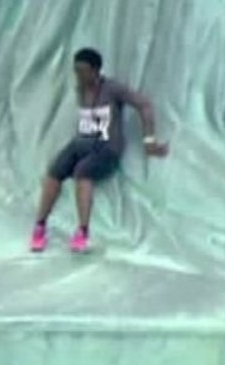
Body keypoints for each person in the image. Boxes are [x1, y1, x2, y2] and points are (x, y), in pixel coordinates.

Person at [29, 47, 169, 254]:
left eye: (84, 71)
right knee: (54, 170)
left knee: (82, 172)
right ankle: (40, 226)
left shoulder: (112, 89)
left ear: (96, 71)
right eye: (76, 71)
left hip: (106, 148)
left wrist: (149, 140)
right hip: (81, 143)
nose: (79, 76)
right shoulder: (79, 89)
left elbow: (144, 104)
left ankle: (82, 232)